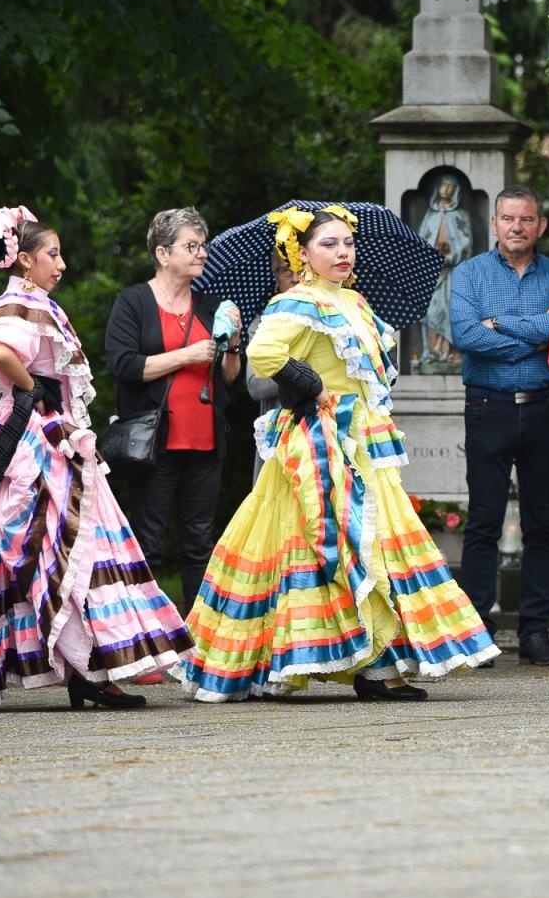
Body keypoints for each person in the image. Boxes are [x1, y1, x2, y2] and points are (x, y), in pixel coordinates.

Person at [178, 205, 499, 701]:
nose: (343, 252)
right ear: (301, 254)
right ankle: (288, 664)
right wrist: (310, 384)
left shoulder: (354, 300)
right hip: (322, 437)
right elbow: (264, 354)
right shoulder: (299, 301)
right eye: (329, 244)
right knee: (321, 539)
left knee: (374, 540)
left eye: (347, 244)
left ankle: (375, 664)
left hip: (365, 435)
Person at [0, 207, 190, 711]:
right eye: (52, 254)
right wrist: (33, 391)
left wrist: (35, 394)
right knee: (65, 544)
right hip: (32, 439)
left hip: (32, 435)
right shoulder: (20, 302)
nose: (60, 264)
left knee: (32, 548)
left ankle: (18, 671)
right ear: (24, 260)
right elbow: (1, 354)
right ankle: (82, 673)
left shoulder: (27, 301)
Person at [450, 186, 549, 667]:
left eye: (527, 219)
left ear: (540, 225)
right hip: (489, 406)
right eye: (508, 219)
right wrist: (533, 333)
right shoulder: (469, 274)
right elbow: (465, 334)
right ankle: (478, 631)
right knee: (483, 520)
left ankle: (535, 631)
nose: (517, 227)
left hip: (546, 408)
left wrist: (498, 324)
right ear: (495, 224)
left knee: (543, 523)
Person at [104, 207, 242, 616]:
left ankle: (197, 643)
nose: (201, 253)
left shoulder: (211, 306)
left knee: (200, 543)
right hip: (154, 445)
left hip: (205, 441)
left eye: (204, 246)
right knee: (148, 544)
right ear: (163, 254)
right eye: (191, 246)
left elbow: (231, 378)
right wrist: (187, 355)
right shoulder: (133, 302)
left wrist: (233, 344)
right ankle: (145, 640)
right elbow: (126, 366)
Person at [244, 250, 299, 483]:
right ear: (276, 277)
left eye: (302, 269)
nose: (296, 278)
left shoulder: (336, 319)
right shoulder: (265, 324)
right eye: (286, 270)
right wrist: (300, 366)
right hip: (281, 438)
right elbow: (256, 385)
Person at [417, 175, 473, 371]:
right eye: (443, 185)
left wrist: (452, 255)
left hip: (454, 272)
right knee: (433, 310)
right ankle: (433, 352)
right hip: (434, 273)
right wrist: (433, 255)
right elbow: (422, 241)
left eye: (451, 187)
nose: (446, 190)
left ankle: (452, 353)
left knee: (452, 310)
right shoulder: (430, 217)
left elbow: (466, 242)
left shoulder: (461, 216)